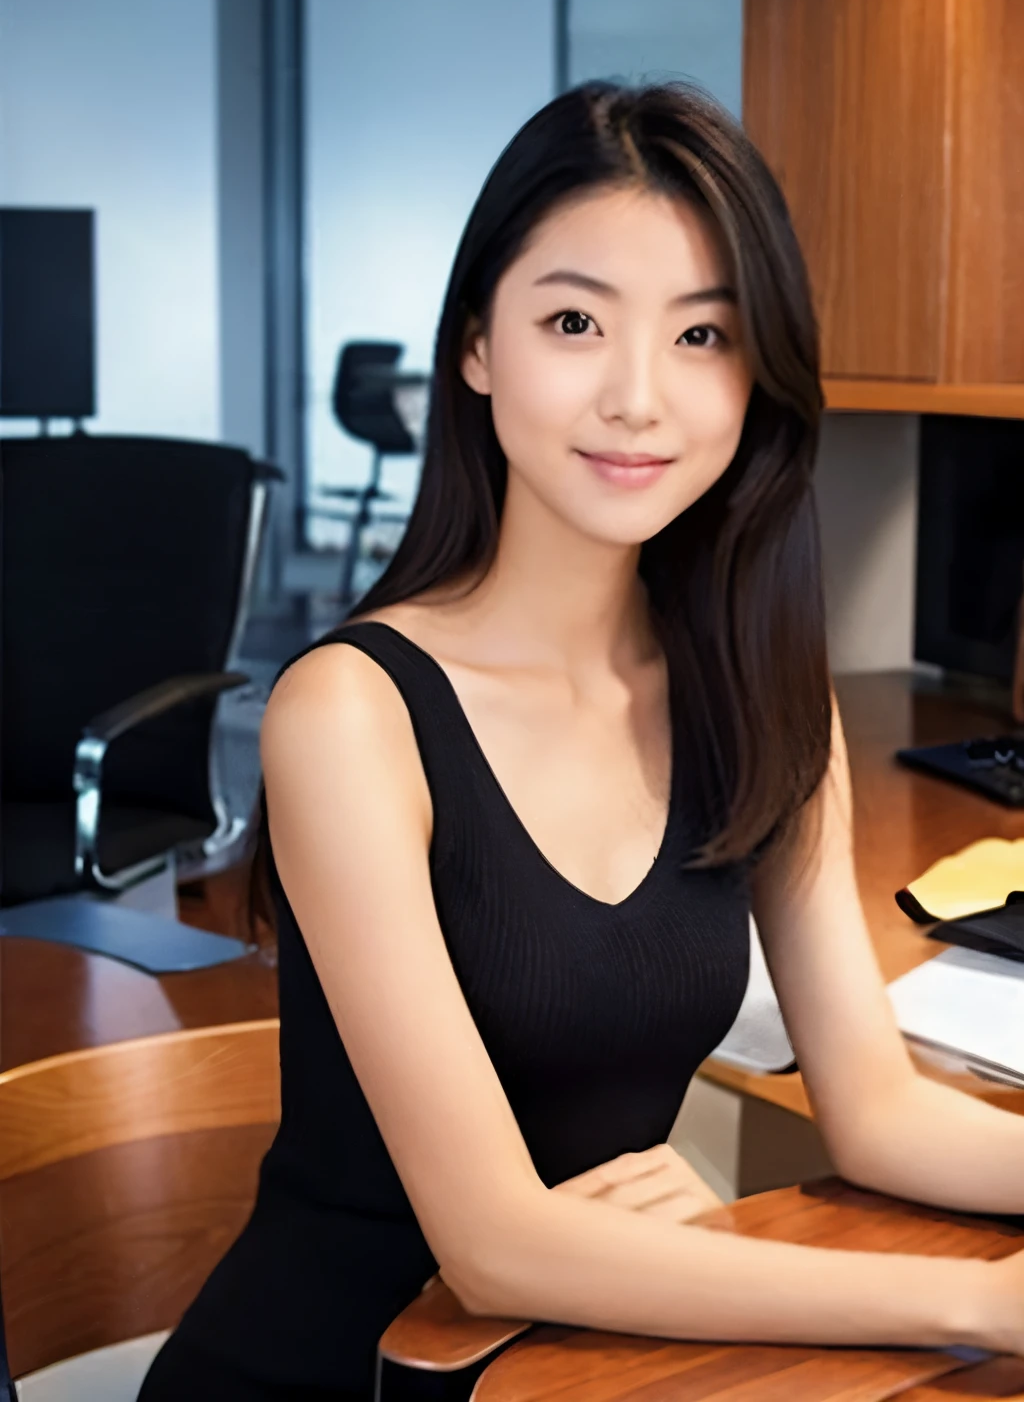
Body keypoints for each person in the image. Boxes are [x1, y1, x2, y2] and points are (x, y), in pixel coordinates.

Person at [139, 81, 1024, 1401]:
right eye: (572, 321)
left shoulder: (763, 692)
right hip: (346, 1371)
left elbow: (876, 1108)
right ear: (476, 347)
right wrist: (982, 1304)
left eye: (701, 335)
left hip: (582, 1362)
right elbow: (497, 1246)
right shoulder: (353, 713)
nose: (636, 397)